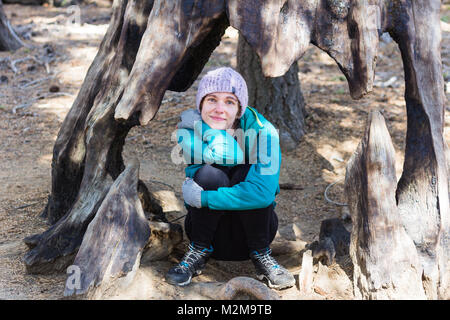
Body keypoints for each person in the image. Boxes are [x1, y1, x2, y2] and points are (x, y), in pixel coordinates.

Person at [165, 67, 295, 290]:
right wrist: (212, 131)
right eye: (212, 100)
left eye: (229, 102)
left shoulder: (265, 133)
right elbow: (222, 158)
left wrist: (204, 198)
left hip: (253, 236)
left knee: (247, 173)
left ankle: (263, 258)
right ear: (201, 104)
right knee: (209, 173)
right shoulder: (190, 128)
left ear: (240, 108)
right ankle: (197, 253)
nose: (219, 109)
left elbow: (262, 194)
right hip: (208, 236)